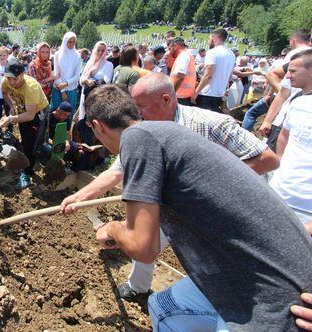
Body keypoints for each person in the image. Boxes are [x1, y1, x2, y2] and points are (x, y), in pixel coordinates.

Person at [68, 83, 312, 331]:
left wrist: (112, 229)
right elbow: (118, 174)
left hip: (274, 304)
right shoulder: (163, 132)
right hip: (281, 273)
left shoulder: (137, 139)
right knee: (163, 308)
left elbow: (143, 247)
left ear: (98, 126)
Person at [269, 49, 312, 225]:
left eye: (293, 71)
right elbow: (284, 135)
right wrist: (280, 165)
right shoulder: (297, 101)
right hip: (280, 194)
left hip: (306, 209)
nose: (287, 76)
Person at [0, 58, 49, 189]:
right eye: (9, 79)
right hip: (23, 111)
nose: (12, 82)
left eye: (15, 79)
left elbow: (30, 115)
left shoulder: (30, 86)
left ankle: (27, 173)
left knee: (31, 144)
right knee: (26, 140)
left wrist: (10, 119)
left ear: (22, 74)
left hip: (37, 113)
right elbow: (4, 93)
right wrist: (11, 106)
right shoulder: (6, 81)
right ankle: (36, 156)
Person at [258, 29, 311, 151]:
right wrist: (267, 121)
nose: (288, 75)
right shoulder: (300, 57)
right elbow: (282, 91)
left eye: (293, 72)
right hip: (284, 120)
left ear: (293, 41)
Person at [191, 28, 236, 113]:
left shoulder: (212, 52)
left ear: (215, 38)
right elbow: (229, 76)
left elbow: (208, 75)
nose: (208, 41)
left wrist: (196, 92)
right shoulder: (231, 54)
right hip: (219, 95)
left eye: (209, 38)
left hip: (207, 94)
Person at [78, 41, 113, 145]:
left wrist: (92, 81)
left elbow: (106, 81)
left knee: (94, 121)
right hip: (85, 95)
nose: (100, 52)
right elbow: (81, 79)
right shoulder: (90, 63)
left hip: (97, 97)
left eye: (103, 50)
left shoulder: (108, 65)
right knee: (84, 121)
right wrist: (86, 81)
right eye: (98, 50)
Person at [51, 32, 81, 122]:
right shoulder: (57, 54)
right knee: (56, 114)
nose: (71, 44)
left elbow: (77, 76)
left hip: (71, 90)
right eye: (69, 42)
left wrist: (65, 84)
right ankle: (53, 135)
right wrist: (62, 91)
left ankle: (66, 134)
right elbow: (56, 73)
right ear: (65, 41)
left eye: (73, 42)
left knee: (68, 116)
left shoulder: (77, 55)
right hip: (58, 89)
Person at [169, 37, 197, 106]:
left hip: (180, 96)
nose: (170, 51)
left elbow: (180, 76)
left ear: (176, 46)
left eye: (171, 48)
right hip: (185, 95)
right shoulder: (188, 55)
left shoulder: (183, 56)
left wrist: (172, 93)